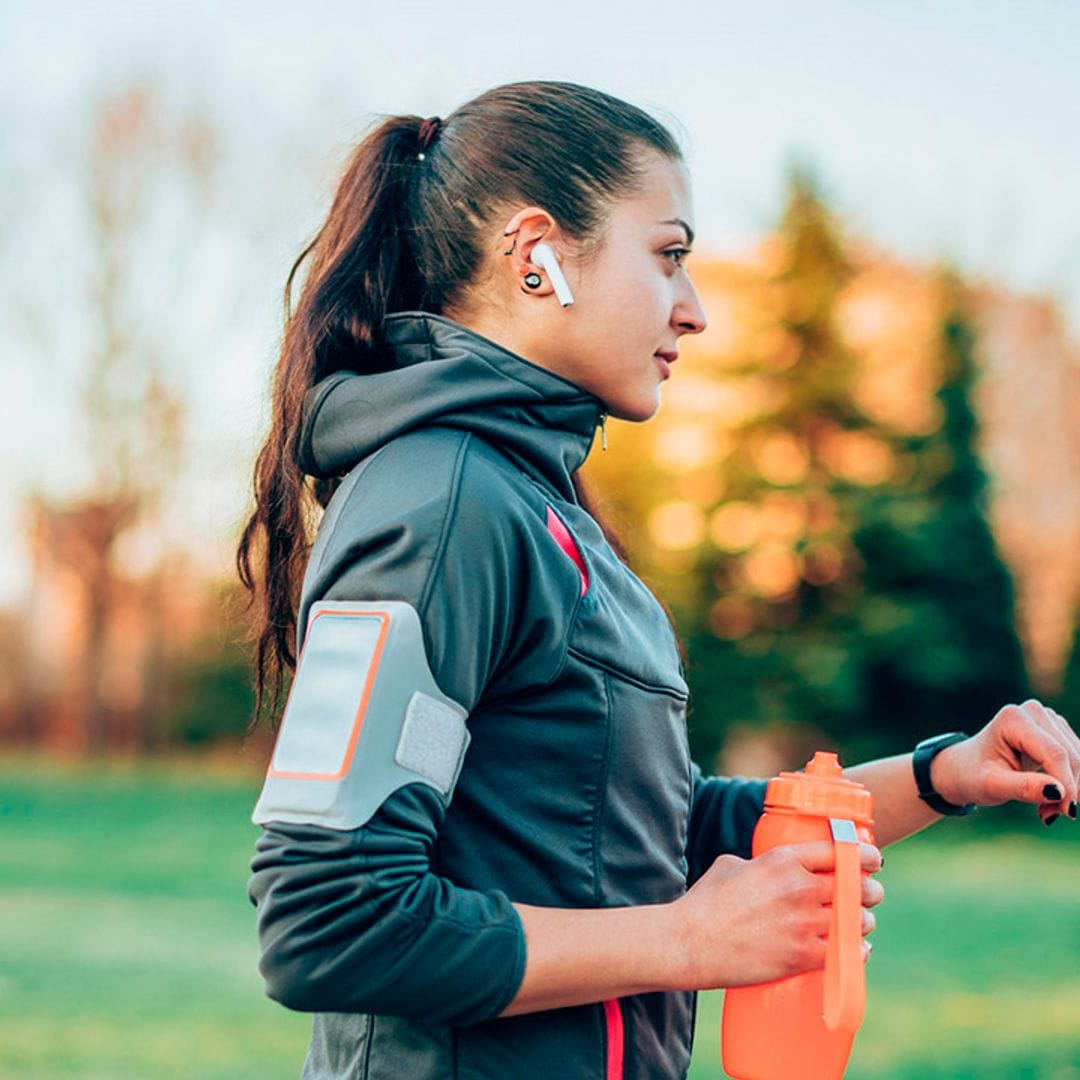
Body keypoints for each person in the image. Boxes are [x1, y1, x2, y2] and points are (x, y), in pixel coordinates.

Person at [236, 80, 1080, 1080]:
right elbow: (328, 917)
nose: (696, 310)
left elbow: (658, 832)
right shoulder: (442, 503)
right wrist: (692, 941)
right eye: (669, 255)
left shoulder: (547, 510)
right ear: (535, 255)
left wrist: (946, 775)